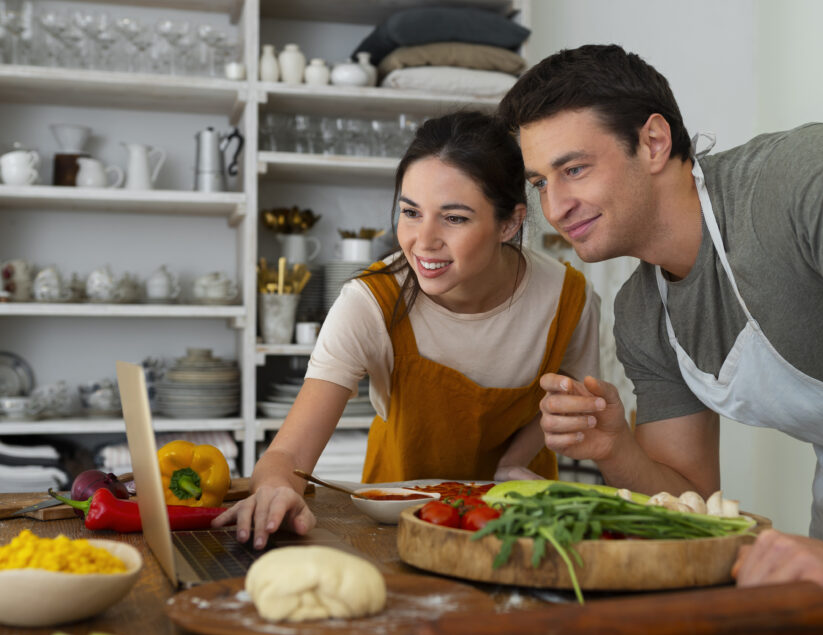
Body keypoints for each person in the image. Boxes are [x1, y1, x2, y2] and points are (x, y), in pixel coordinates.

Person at [496, 44, 823, 587]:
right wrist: (614, 447)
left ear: (654, 142)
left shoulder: (792, 175)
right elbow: (692, 501)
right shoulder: (642, 312)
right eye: (540, 183)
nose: (555, 207)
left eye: (574, 169)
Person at [216, 111, 601, 548]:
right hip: (394, 531)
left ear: (510, 223)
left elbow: (564, 403)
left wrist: (513, 462)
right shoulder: (369, 303)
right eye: (411, 212)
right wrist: (275, 490)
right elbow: (287, 454)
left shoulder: (569, 298)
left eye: (454, 218)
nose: (424, 240)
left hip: (520, 533)